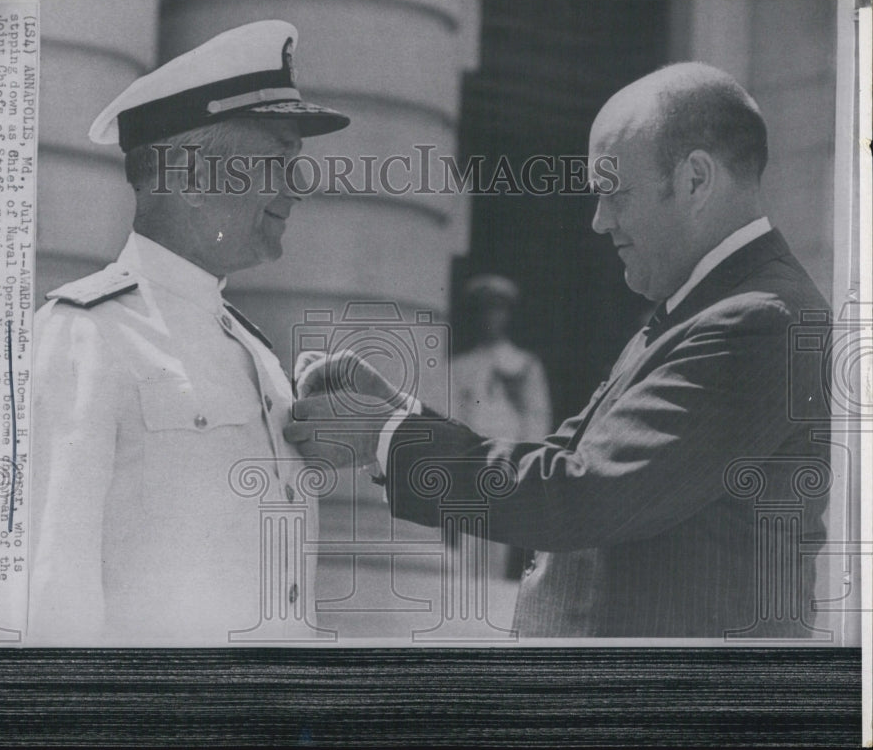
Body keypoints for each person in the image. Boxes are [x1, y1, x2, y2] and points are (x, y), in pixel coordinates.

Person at [287, 62, 831, 638]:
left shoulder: (759, 319)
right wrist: (401, 413)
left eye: (613, 192)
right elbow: (567, 455)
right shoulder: (712, 307)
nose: (599, 221)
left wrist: (385, 434)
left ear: (696, 179)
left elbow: (586, 493)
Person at [28, 21, 349, 644]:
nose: (296, 191)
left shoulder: (253, 350)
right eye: (278, 161)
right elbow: (53, 586)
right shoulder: (87, 335)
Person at [451, 274, 553, 592]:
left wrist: (526, 460)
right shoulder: (460, 365)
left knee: (499, 541)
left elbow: (537, 416)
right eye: (485, 310)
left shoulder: (523, 364)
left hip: (507, 459)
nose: (491, 318)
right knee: (468, 543)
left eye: (498, 310)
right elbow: (452, 414)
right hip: (470, 459)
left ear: (508, 315)